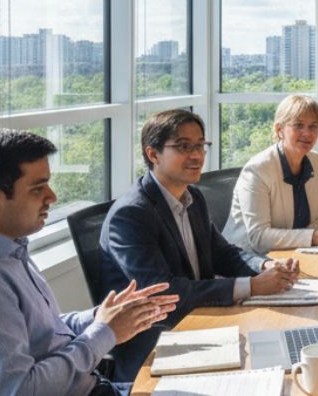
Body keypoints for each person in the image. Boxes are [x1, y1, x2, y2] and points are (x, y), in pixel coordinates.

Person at [0, 128, 179, 395]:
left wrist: (102, 317)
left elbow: (43, 335)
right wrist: (105, 333)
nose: (52, 196)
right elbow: (20, 391)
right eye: (38, 189)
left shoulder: (4, 248)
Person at [100, 108, 299, 380]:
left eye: (200, 146)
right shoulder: (131, 215)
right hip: (157, 344)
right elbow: (164, 292)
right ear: (153, 154)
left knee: (283, 354)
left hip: (201, 323)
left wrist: (265, 265)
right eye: (183, 147)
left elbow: (223, 254)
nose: (196, 156)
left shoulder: (192, 196)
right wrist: (252, 286)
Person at [222, 95, 318, 255]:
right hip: (249, 260)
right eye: (298, 125)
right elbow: (259, 237)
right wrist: (313, 237)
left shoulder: (317, 162)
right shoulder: (258, 169)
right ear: (279, 130)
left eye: (313, 126)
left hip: (294, 254)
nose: (307, 133)